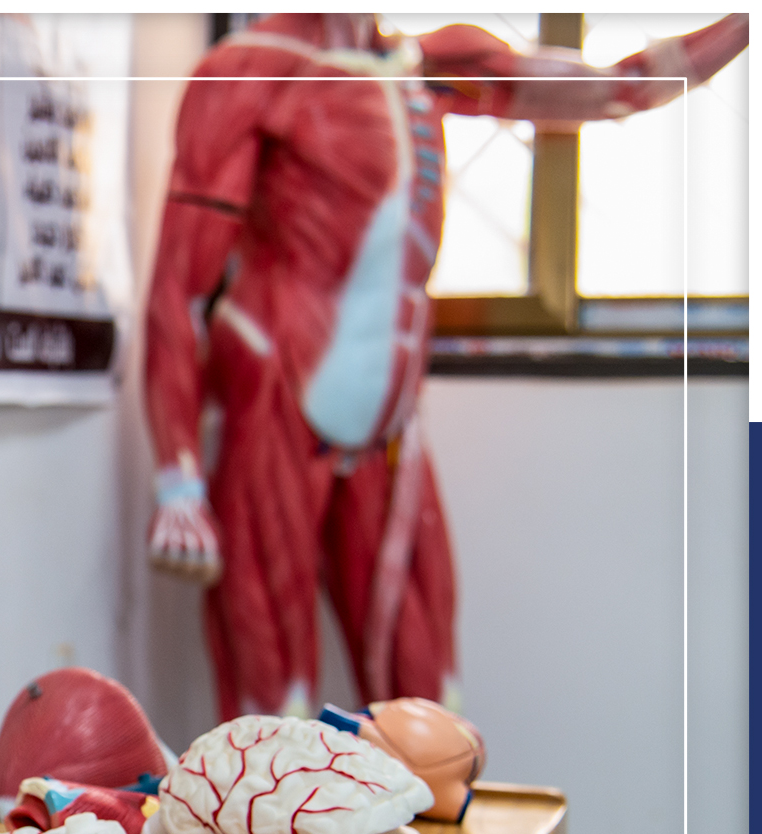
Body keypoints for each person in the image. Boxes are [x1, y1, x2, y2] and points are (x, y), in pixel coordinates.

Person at [141, 13, 747, 721]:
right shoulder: (251, 70)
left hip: (389, 424)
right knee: (274, 705)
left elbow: (622, 88)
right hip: (276, 396)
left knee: (429, 703)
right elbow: (177, 289)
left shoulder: (431, 65)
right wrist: (179, 482)